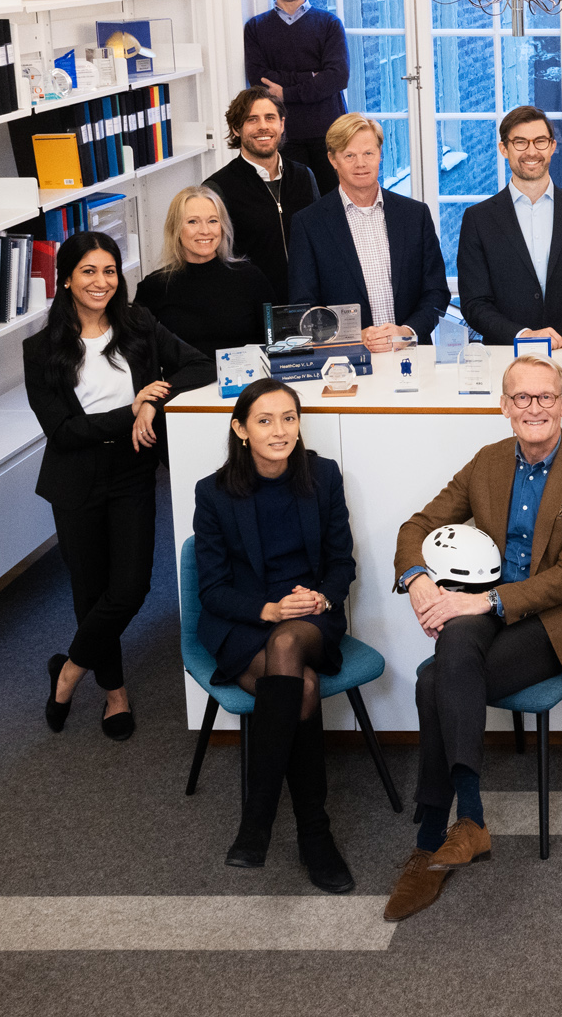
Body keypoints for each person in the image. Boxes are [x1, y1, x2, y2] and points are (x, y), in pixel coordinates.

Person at [384, 353, 562, 922]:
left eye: (545, 397)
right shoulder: (487, 462)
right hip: (489, 609)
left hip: (557, 622)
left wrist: (483, 601)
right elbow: (416, 526)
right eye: (521, 397)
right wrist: (418, 580)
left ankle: (435, 835)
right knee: (453, 643)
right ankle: (468, 821)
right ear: (504, 407)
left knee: (434, 682)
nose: (534, 408)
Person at [24, 232, 213, 741]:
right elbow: (63, 431)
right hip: (74, 479)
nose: (101, 282)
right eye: (88, 271)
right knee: (91, 592)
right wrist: (129, 412)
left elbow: (199, 363)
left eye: (109, 271)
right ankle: (114, 693)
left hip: (131, 471)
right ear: (66, 279)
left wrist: (153, 400)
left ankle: (68, 672)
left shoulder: (138, 324)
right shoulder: (40, 349)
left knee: (130, 587)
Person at [192, 378, 356, 892]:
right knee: (302, 687)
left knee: (288, 643)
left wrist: (322, 598)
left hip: (309, 618)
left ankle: (256, 820)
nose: (280, 430)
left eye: (289, 418)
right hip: (245, 621)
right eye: (264, 420)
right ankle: (314, 833)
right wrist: (268, 609)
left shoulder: (323, 476)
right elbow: (212, 590)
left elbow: (342, 563)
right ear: (241, 429)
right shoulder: (213, 493)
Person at [287, 113, 450, 350]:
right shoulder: (308, 224)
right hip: (346, 358)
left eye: (368, 153)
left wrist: (406, 332)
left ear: (380, 154)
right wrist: (351, 336)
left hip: (411, 354)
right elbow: (304, 307)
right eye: (349, 155)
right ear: (333, 159)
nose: (360, 163)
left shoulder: (415, 215)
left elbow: (436, 292)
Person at [457, 106, 562, 347]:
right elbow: (474, 303)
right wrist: (523, 334)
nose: (531, 151)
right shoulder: (478, 219)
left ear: (552, 146)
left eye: (540, 141)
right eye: (520, 142)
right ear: (504, 149)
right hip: (507, 353)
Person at [243, 0, 349, 193]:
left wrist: (286, 92)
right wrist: (312, 76)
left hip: (329, 132)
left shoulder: (329, 24)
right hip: (283, 134)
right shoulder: (255, 28)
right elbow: (258, 79)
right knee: (295, 202)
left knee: (335, 201)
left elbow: (337, 76)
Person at [133, 185, 277, 362]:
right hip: (184, 380)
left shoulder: (251, 278)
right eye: (193, 222)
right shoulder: (154, 286)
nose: (205, 230)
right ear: (175, 228)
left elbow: (277, 341)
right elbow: (137, 352)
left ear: (223, 226)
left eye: (213, 221)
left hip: (247, 378)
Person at [204, 88, 319, 302]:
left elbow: (319, 241)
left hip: (306, 302)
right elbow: (215, 262)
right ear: (236, 129)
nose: (263, 126)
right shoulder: (218, 188)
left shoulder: (304, 176)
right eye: (252, 119)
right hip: (250, 306)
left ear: (281, 124)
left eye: (270, 118)